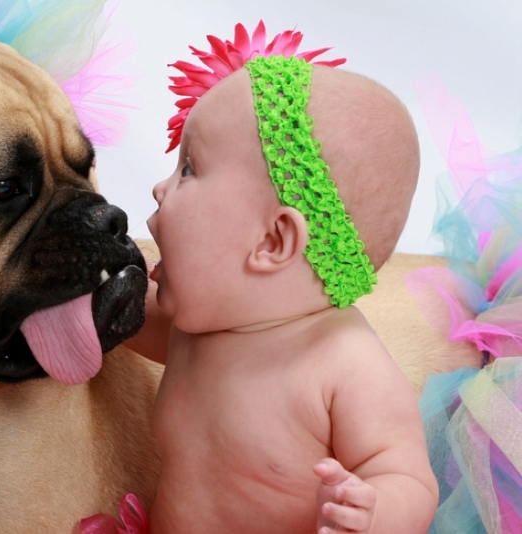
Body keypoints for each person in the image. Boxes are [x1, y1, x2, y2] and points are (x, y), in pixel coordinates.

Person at [83, 22, 438, 534]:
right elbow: (118, 312)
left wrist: (374, 509)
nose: (160, 188)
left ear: (273, 242)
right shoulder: (195, 324)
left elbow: (407, 477)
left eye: (188, 168)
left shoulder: (346, 365)